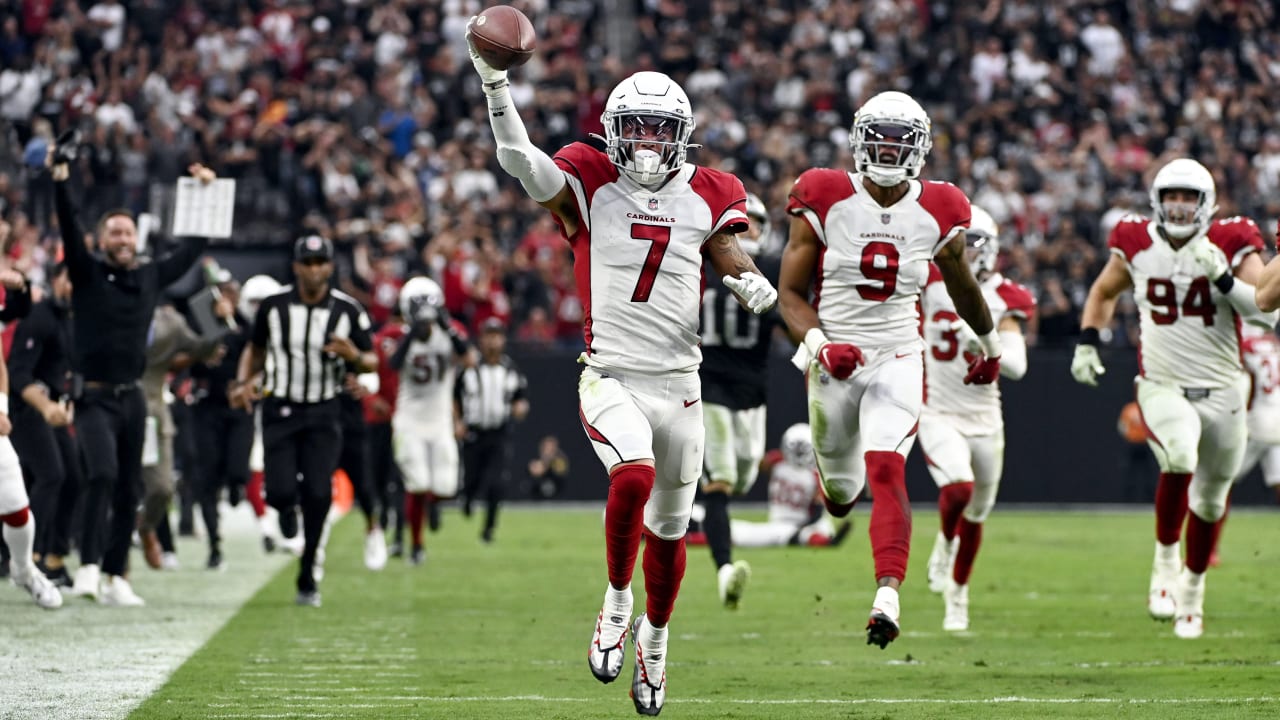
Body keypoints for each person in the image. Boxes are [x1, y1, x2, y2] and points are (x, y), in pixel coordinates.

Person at [467, 26, 778, 715]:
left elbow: (724, 245)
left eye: (656, 128)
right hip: (611, 373)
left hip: (682, 384)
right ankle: (614, 602)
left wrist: (749, 280)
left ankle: (656, 645)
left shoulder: (710, 189)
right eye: (632, 126)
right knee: (631, 475)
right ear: (611, 130)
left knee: (669, 535)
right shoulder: (588, 177)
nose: (642, 141)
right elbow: (519, 159)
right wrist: (495, 84)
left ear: (681, 135)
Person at [777, 90, 1003, 650]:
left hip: (900, 354)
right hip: (834, 358)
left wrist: (991, 343)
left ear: (920, 147)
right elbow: (788, 295)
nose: (888, 147)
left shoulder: (942, 206)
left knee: (887, 471)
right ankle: (839, 501)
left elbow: (961, 282)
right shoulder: (824, 194)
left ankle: (887, 596)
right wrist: (822, 344)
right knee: (841, 494)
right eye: (878, 135)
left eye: (900, 138)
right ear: (858, 140)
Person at [1071, 158, 1276, 639]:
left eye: (1188, 197)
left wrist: (1225, 280)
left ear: (1207, 203)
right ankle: (1164, 564)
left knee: (1209, 502)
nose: (1179, 206)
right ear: (1157, 201)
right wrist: (1087, 339)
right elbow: (1103, 292)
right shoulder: (1135, 240)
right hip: (1162, 383)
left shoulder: (1230, 240)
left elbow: (1266, 314)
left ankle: (1192, 595)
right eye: (1172, 197)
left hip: (1225, 387)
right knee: (1179, 457)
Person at [50, 138, 211, 606]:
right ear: (101, 242)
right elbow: (67, 223)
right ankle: (89, 567)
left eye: (127, 232)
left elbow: (193, 247)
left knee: (129, 485)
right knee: (100, 473)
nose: (122, 238)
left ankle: (118, 575)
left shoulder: (149, 276)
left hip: (133, 395)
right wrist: (61, 177)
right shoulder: (87, 273)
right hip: (93, 395)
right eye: (114, 233)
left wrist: (202, 193)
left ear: (136, 239)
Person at [229, 235, 376, 608]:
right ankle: (285, 509)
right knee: (278, 492)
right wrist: (245, 382)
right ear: (295, 266)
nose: (314, 269)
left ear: (330, 266)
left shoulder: (347, 310)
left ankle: (308, 572)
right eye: (307, 262)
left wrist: (355, 356)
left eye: (320, 262)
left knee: (319, 494)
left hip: (324, 410)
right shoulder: (273, 307)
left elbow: (373, 360)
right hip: (280, 407)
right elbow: (256, 347)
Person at [918, 205, 1036, 632]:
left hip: (986, 417)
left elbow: (1018, 365)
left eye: (975, 242)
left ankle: (958, 595)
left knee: (978, 513)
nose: (967, 250)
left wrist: (986, 342)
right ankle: (945, 544)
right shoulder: (928, 281)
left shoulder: (1007, 295)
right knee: (959, 489)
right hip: (937, 411)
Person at [694, 191, 785, 610]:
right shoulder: (698, 266)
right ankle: (724, 569)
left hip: (752, 393)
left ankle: (694, 518)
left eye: (754, 226)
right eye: (740, 225)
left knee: (744, 476)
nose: (747, 234)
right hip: (710, 386)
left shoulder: (771, 270)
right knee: (721, 480)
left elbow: (789, 316)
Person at [138, 300, 226, 570]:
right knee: (108, 483)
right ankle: (107, 571)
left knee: (162, 487)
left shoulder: (170, 321)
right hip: (109, 406)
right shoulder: (109, 307)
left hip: (152, 410)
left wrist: (215, 322)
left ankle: (145, 528)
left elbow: (203, 348)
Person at [389, 276, 470, 565]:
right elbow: (392, 365)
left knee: (446, 487)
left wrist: (445, 324)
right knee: (418, 483)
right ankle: (417, 545)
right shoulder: (398, 334)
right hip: (409, 420)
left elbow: (469, 358)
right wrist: (413, 333)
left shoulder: (450, 333)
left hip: (439, 420)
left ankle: (433, 506)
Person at [9, 263, 78, 587]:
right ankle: (27, 559)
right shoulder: (39, 316)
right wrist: (47, 405)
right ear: (56, 279)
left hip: (55, 409)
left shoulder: (72, 318)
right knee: (51, 475)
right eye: (70, 279)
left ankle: (55, 556)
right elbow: (19, 373)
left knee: (75, 477)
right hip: (25, 409)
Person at [691, 423, 852, 549]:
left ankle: (690, 534)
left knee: (732, 532)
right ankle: (691, 523)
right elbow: (819, 507)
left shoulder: (778, 463)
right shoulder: (809, 472)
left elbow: (818, 509)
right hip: (790, 526)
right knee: (729, 528)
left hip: (797, 525)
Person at [187, 277, 255, 566]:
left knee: (239, 466)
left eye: (233, 293)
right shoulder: (202, 326)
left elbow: (257, 358)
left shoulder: (246, 327)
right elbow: (190, 357)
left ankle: (237, 484)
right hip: (207, 407)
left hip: (238, 407)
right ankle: (215, 544)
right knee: (207, 478)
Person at [457, 317, 528, 544]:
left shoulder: (510, 369)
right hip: (474, 433)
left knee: (497, 482)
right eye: (489, 335)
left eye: (497, 335)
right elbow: (454, 397)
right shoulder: (469, 368)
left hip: (499, 432)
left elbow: (521, 398)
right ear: (481, 339)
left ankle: (488, 528)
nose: (493, 341)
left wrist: (520, 408)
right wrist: (457, 421)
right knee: (472, 480)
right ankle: (467, 498)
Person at [367, 304, 407, 557]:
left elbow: (363, 377)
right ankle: (397, 532)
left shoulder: (378, 340)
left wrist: (372, 400)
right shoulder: (410, 339)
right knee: (398, 480)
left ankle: (389, 525)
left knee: (385, 480)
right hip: (398, 419)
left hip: (385, 419)